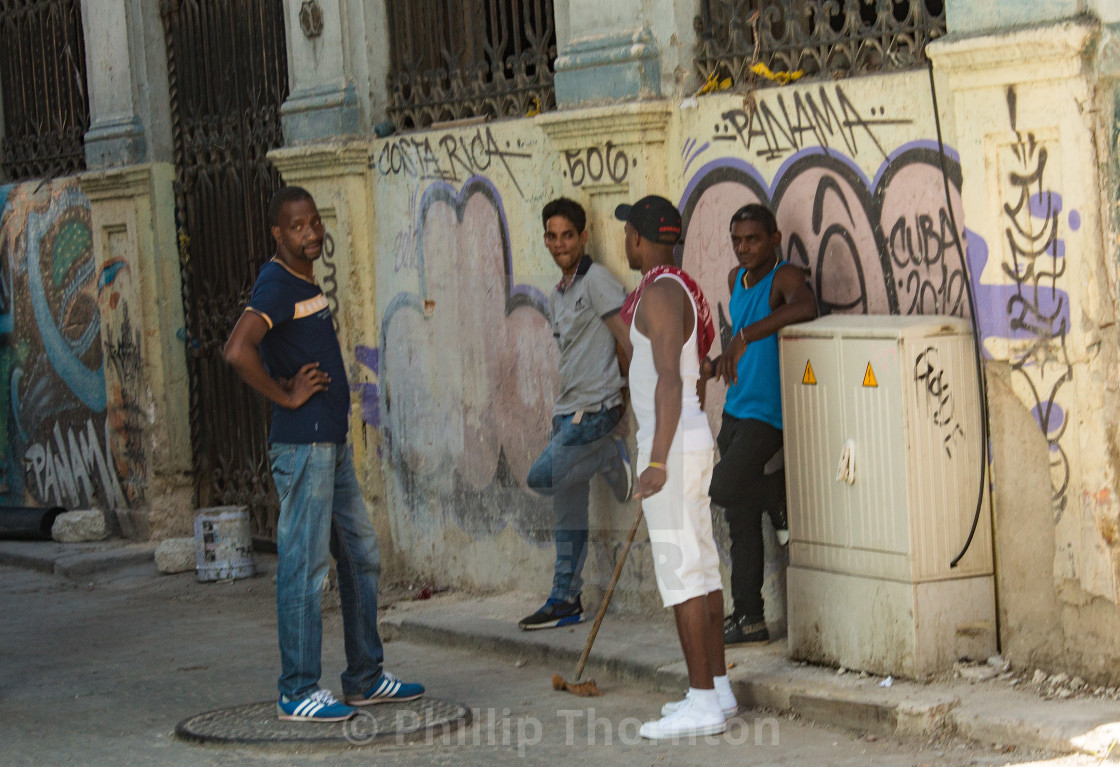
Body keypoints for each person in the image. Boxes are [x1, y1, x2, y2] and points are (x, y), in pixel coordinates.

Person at [223, 186, 424, 722]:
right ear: (277, 234)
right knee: (305, 567)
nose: (311, 233)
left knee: (360, 557)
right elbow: (237, 350)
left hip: (327, 443)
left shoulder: (303, 281)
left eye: (314, 223)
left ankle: (364, 677)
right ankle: (297, 689)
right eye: (297, 226)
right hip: (303, 444)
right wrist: (286, 394)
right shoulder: (275, 284)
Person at [615, 195, 736, 740]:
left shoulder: (658, 294)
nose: (625, 242)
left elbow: (669, 379)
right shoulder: (679, 286)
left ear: (638, 239)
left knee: (683, 574)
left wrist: (656, 459)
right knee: (703, 566)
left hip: (674, 440)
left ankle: (702, 701)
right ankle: (719, 687)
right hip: (688, 435)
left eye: (627, 234)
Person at [520, 198, 635, 631]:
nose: (560, 243)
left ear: (584, 237)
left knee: (541, 477)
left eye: (568, 235)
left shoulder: (597, 283)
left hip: (596, 412)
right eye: (552, 235)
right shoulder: (559, 294)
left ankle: (607, 455)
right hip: (566, 414)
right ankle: (565, 599)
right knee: (567, 514)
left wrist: (626, 399)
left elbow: (627, 341)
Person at [708, 203, 817, 646]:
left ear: (774, 239)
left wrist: (747, 335)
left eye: (753, 239)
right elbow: (740, 337)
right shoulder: (738, 280)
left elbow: (806, 308)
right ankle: (749, 617)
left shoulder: (784, 277)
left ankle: (776, 493)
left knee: (722, 487)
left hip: (765, 415)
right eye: (737, 240)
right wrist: (719, 360)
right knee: (740, 520)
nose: (743, 248)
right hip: (735, 410)